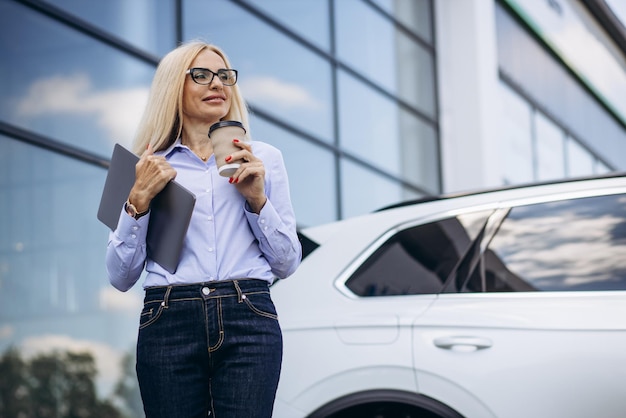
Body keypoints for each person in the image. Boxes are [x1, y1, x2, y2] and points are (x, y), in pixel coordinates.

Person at [105, 40, 302, 418]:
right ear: (173, 88)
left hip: (249, 314)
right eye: (201, 75)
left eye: (224, 75)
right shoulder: (141, 166)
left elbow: (286, 262)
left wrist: (257, 200)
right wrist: (138, 201)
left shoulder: (263, 159)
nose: (217, 84)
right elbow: (119, 276)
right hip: (168, 318)